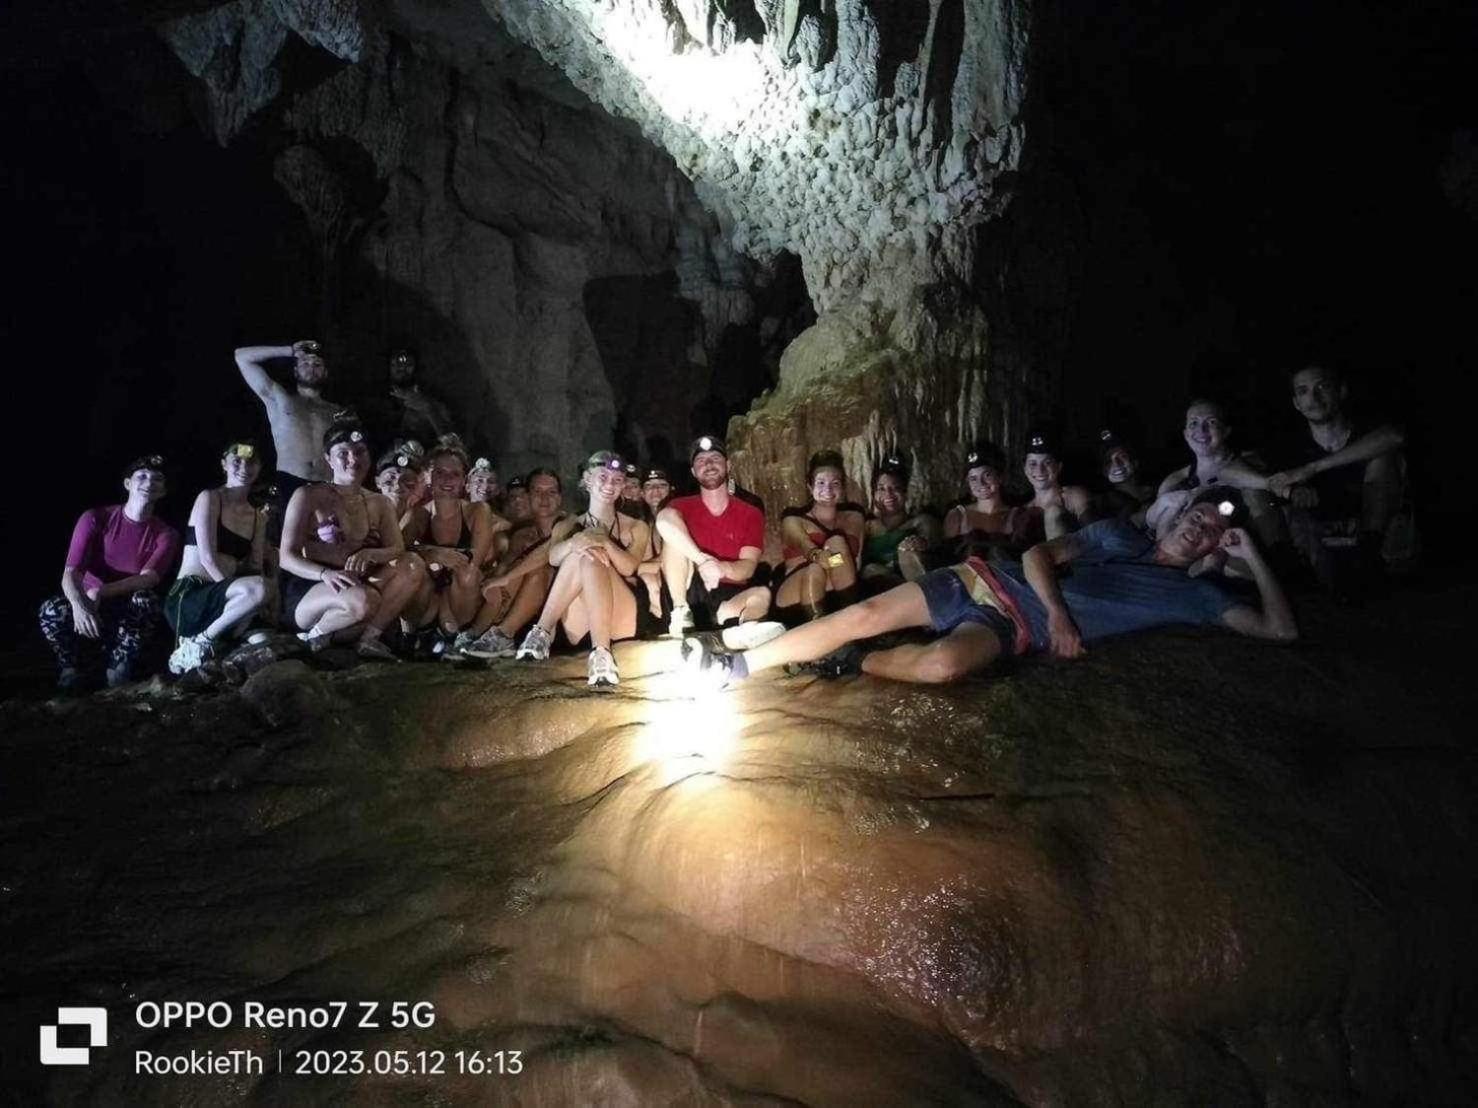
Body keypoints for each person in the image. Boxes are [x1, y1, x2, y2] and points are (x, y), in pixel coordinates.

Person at [683, 489, 1296, 688]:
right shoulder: (1116, 536)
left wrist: (1256, 556)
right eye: (1196, 516)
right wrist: (1060, 614)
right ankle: (736, 666)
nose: (1198, 529)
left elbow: (1279, 631)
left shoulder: (1200, 597)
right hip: (989, 580)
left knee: (942, 665)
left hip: (1012, 628)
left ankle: (851, 661)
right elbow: (1035, 553)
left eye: (1214, 531)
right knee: (869, 609)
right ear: (1181, 513)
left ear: (1219, 546)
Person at [277, 419, 426, 659]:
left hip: (358, 583)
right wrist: (325, 574)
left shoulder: (379, 502)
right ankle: (311, 639)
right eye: (343, 453)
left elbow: (396, 547)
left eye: (359, 452)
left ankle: (368, 640)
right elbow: (286, 557)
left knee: (412, 564)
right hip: (314, 589)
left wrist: (370, 553)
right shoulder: (308, 495)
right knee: (364, 600)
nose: (353, 460)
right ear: (328, 459)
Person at [39, 455, 181, 691]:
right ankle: (69, 668)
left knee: (147, 600)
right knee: (51, 610)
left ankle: (119, 666)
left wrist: (102, 591)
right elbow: (71, 572)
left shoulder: (166, 533)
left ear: (163, 491)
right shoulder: (95, 518)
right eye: (142, 476)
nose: (149, 482)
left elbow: (150, 577)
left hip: (123, 608)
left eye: (157, 479)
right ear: (128, 484)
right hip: (87, 605)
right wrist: (78, 604)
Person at [512, 452, 654, 686]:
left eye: (617, 480)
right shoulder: (567, 524)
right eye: (603, 477)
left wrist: (604, 541)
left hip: (620, 617)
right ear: (587, 479)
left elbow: (629, 567)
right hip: (578, 620)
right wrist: (575, 542)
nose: (610, 484)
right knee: (582, 552)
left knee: (591, 556)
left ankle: (599, 651)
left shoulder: (635, 526)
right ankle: (544, 633)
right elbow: (553, 558)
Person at [1266, 364, 1412, 590]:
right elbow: (1272, 480)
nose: (1313, 397)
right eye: (1303, 391)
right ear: (1296, 403)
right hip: (1323, 529)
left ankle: (1370, 555)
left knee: (1384, 458)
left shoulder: (1366, 428)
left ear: (1341, 391)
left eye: (1322, 387)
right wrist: (1295, 490)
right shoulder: (1289, 444)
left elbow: (1394, 436)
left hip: (1373, 525)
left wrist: (1313, 468)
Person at [656, 434, 778, 645]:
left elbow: (748, 566)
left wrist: (720, 568)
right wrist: (704, 561)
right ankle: (681, 614)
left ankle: (745, 633)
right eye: (701, 461)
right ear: (693, 471)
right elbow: (664, 520)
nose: (709, 464)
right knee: (673, 540)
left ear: (728, 465)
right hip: (688, 588)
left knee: (761, 594)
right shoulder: (679, 506)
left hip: (728, 595)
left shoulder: (750, 513)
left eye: (715, 458)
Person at [165, 442, 270, 674]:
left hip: (231, 599)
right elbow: (207, 558)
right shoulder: (211, 498)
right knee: (258, 589)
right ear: (224, 465)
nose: (244, 467)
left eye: (251, 462)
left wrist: (258, 608)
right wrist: (247, 595)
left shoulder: (258, 517)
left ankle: (217, 644)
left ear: (260, 467)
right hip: (192, 595)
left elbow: (254, 567)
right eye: (237, 461)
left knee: (265, 642)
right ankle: (197, 643)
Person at [400, 436, 506, 652]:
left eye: (455, 474)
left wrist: (432, 556)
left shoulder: (477, 511)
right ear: (429, 476)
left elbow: (474, 558)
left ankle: (450, 632)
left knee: (468, 572)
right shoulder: (419, 514)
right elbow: (397, 551)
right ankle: (422, 632)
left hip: (460, 601)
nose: (447, 480)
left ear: (464, 480)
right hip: (426, 603)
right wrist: (433, 552)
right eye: (440, 473)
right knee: (410, 567)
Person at [233, 340, 342, 536]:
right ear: (295, 371)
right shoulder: (280, 398)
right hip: (289, 481)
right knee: (287, 545)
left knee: (327, 545)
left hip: (328, 484)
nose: (311, 368)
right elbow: (241, 357)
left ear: (325, 372)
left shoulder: (336, 412)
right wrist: (290, 351)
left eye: (317, 365)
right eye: (305, 363)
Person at [460, 468, 565, 658]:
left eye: (551, 492)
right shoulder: (522, 534)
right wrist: (492, 586)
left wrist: (506, 577)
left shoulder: (569, 523)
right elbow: (505, 569)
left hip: (560, 617)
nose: (544, 498)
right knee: (504, 577)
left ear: (560, 498)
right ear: (529, 497)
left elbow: (546, 552)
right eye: (537, 492)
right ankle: (476, 633)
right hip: (526, 614)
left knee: (537, 569)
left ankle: (502, 634)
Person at [1145, 399, 1274, 540]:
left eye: (1212, 422)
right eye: (1194, 423)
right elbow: (1155, 524)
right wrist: (1169, 502)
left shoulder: (1251, 463)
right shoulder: (1176, 480)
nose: (1201, 430)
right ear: (1186, 434)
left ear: (1226, 431)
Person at [772, 450, 867, 624]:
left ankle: (852, 622)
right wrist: (817, 556)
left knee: (836, 544)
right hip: (795, 593)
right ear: (810, 486)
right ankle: (819, 625)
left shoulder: (855, 518)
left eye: (835, 483)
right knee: (818, 566)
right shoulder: (793, 519)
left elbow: (858, 560)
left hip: (841, 586)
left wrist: (830, 561)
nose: (828, 490)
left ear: (843, 486)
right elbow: (803, 543)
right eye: (820, 483)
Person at [942, 442, 1040, 551]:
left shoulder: (1016, 516)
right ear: (968, 483)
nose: (981, 483)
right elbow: (947, 557)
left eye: (987, 475)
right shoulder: (957, 516)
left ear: (1000, 477)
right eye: (973, 478)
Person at [1020, 431, 1093, 540]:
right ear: (1025, 469)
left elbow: (1095, 534)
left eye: (1047, 462)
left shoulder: (1073, 497)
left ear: (1059, 466)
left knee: (1054, 512)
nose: (1040, 470)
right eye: (1033, 464)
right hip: (1035, 556)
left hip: (1077, 553)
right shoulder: (1024, 509)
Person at [384, 348, 454, 446]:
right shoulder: (378, 400)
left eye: (408, 365)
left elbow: (451, 443)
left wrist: (428, 409)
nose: (402, 369)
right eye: (396, 364)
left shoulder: (430, 401)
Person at [1093, 429, 1157, 523]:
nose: (1116, 464)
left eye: (1122, 457)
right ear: (1104, 472)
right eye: (1108, 462)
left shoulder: (1156, 490)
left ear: (1135, 462)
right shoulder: (1103, 503)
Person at [635, 467, 673, 621]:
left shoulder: (680, 515)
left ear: (671, 490)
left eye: (662, 485)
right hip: (656, 578)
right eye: (649, 486)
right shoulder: (642, 523)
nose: (656, 490)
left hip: (684, 574)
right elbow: (646, 561)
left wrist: (633, 568)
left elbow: (667, 561)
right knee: (650, 580)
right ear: (642, 494)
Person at [374, 443, 424, 523]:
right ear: (377, 482)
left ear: (417, 484)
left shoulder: (424, 519)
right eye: (390, 479)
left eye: (406, 479)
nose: (398, 485)